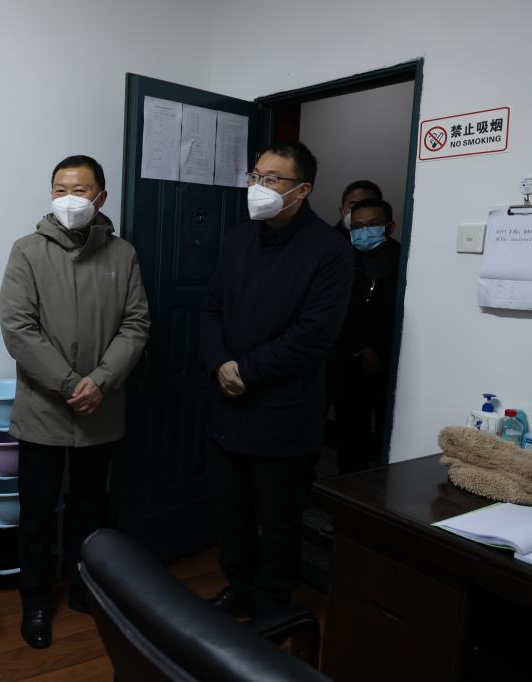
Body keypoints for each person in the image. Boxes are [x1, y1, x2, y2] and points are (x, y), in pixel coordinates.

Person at [0, 155, 150, 649]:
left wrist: (101, 382)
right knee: (37, 511)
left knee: (90, 508)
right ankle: (36, 601)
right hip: (43, 408)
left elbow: (136, 324)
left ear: (101, 198)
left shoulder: (122, 254)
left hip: (100, 409)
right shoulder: (27, 251)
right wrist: (68, 384)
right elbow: (18, 328)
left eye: (80, 190)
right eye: (60, 189)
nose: (69, 199)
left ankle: (86, 587)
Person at [201, 141, 352, 617]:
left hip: (283, 409)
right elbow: (212, 309)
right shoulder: (237, 239)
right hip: (228, 402)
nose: (258, 187)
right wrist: (220, 362)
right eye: (255, 176)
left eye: (272, 179)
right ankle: (239, 586)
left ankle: (272, 606)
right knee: (231, 511)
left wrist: (247, 371)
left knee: (278, 518)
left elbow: (313, 335)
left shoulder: (330, 251)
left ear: (302, 190)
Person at [331, 198, 400, 474]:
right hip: (348, 360)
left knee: (390, 433)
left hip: (390, 363)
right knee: (350, 435)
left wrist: (380, 350)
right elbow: (332, 310)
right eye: (357, 226)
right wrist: (358, 347)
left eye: (372, 225)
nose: (364, 231)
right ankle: (347, 491)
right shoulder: (339, 259)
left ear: (389, 227)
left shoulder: (406, 260)